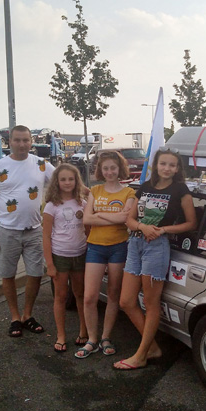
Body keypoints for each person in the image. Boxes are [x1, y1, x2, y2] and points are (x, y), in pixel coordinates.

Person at [114, 148, 196, 370]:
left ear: (177, 169)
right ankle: (151, 347)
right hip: (135, 244)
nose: (167, 168)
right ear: (156, 166)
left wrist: (163, 230)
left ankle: (141, 355)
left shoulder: (180, 189)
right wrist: (142, 227)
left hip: (157, 246)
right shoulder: (145, 187)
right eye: (163, 164)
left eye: (172, 165)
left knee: (151, 304)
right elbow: (130, 220)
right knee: (126, 301)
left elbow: (191, 223)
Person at [0, 125, 55, 339]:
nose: (22, 144)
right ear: (10, 142)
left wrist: (92, 195)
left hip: (34, 230)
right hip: (7, 231)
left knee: (36, 273)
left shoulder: (41, 164)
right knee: (8, 274)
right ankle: (15, 317)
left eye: (26, 140)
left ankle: (27, 315)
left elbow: (65, 179)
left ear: (31, 142)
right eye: (17, 140)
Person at [76, 151, 136, 359]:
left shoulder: (129, 192)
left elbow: (126, 219)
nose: (110, 172)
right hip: (96, 247)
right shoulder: (95, 190)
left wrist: (99, 214)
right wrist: (113, 216)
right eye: (106, 168)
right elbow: (86, 220)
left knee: (113, 295)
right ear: (100, 170)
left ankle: (106, 337)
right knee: (90, 296)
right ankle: (92, 339)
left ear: (120, 169)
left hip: (118, 247)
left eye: (113, 168)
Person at [42, 163, 88, 353]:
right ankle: (61, 335)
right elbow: (46, 236)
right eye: (63, 179)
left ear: (77, 181)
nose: (67, 183)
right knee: (60, 297)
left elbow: (88, 229)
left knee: (80, 294)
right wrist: (50, 264)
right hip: (60, 256)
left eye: (71, 179)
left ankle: (84, 330)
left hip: (80, 254)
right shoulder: (51, 206)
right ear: (56, 182)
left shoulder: (82, 203)